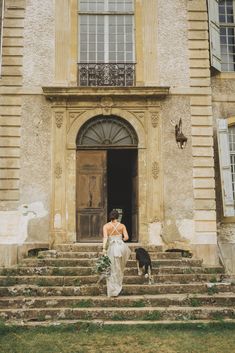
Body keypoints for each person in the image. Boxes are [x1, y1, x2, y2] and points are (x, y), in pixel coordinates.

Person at [102, 209, 131, 297]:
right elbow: (126, 237)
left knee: (112, 268)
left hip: (112, 248)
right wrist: (120, 239)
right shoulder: (122, 226)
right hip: (121, 247)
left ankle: (113, 290)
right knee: (119, 269)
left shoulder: (106, 226)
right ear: (118, 216)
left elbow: (105, 238)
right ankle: (118, 286)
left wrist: (104, 249)